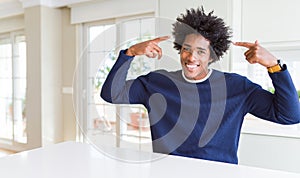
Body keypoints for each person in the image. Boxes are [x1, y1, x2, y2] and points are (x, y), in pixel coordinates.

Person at [100, 7, 300, 164]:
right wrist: (130, 53)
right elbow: (111, 94)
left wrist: (274, 66)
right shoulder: (157, 83)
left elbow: (290, 116)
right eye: (186, 49)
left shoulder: (237, 87)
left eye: (200, 52)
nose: (191, 57)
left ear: (212, 56)